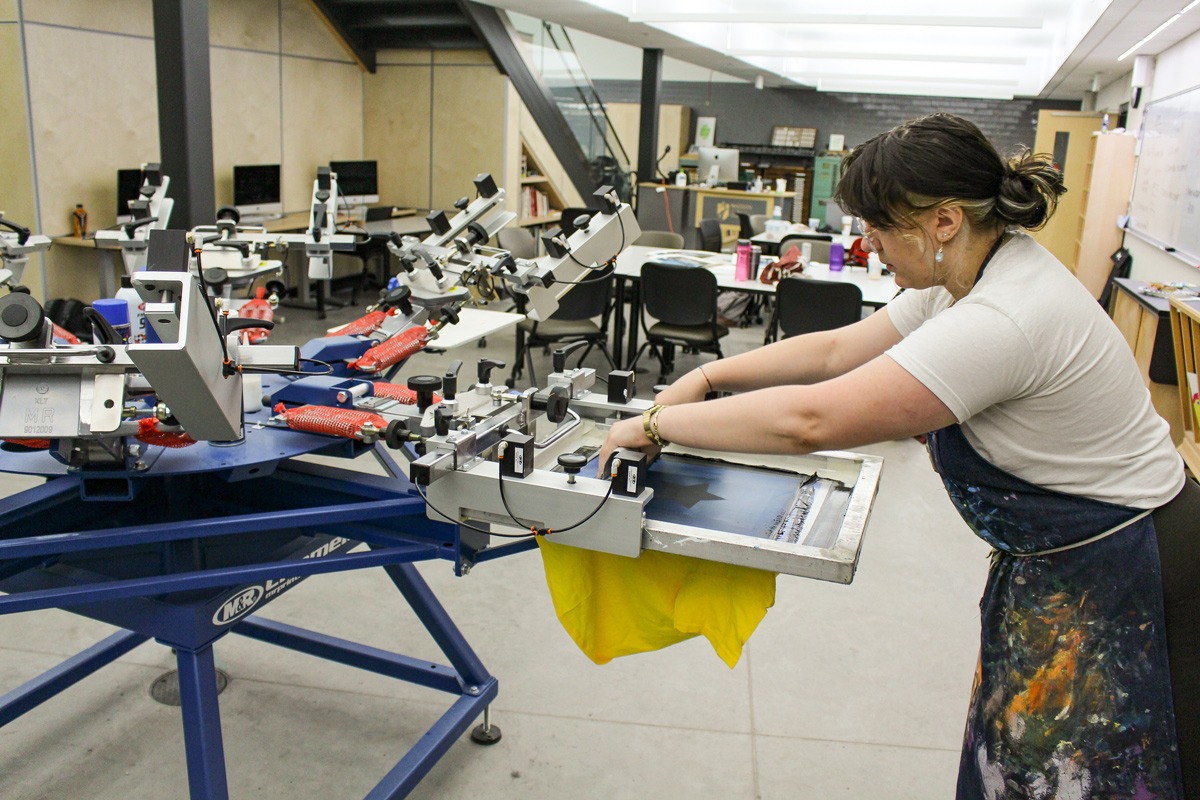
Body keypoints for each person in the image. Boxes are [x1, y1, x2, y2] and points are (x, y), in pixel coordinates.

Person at [597, 113, 1198, 799]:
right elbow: (833, 351)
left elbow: (811, 419)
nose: (870, 245)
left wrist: (656, 422)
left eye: (879, 227)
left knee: (1088, 778)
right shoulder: (968, 276)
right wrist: (707, 377)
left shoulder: (1004, 319)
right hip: (1065, 564)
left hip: (1131, 571)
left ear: (943, 221)